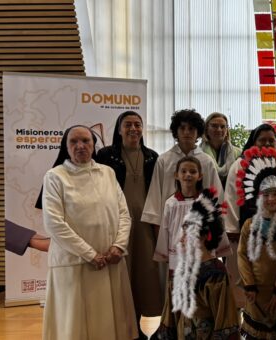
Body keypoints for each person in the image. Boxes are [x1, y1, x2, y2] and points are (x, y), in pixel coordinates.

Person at [41, 125, 137, 339]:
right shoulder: (55, 177)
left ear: (94, 145)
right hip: (75, 262)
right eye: (74, 142)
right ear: (66, 147)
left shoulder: (108, 173)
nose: (80, 146)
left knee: (111, 325)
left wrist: (119, 246)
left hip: (110, 260)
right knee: (74, 326)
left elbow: (124, 214)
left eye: (86, 141)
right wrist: (90, 254)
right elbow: (53, 223)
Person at [95, 110, 162, 335]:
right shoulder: (106, 156)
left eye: (137, 124)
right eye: (128, 125)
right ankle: (126, 326)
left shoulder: (153, 156)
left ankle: (141, 326)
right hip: (117, 225)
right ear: (119, 129)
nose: (133, 129)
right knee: (123, 275)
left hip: (145, 226)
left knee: (145, 276)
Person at [157, 188, 240, 339]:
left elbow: (225, 318)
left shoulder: (216, 274)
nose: (181, 238)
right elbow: (170, 315)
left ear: (204, 235)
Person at [234, 147, 276, 339]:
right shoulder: (249, 225)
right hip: (254, 292)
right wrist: (249, 285)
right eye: (266, 194)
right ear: (259, 198)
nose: (271, 199)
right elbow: (242, 255)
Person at [141, 109, 223, 233]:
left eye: (191, 129)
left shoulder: (207, 162)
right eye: (182, 128)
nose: (186, 132)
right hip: (170, 224)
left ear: (198, 133)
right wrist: (157, 228)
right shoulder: (164, 160)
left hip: (201, 225)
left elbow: (216, 196)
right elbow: (155, 195)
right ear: (176, 132)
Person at [224, 123, 276, 233]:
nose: (267, 143)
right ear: (254, 142)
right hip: (249, 229)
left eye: (271, 140)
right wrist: (232, 231)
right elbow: (231, 199)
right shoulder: (240, 165)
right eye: (262, 140)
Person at [200, 112, 240, 185]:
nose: (219, 130)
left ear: (227, 130)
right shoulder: (198, 154)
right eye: (214, 126)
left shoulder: (239, 153)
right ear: (206, 129)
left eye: (222, 126)